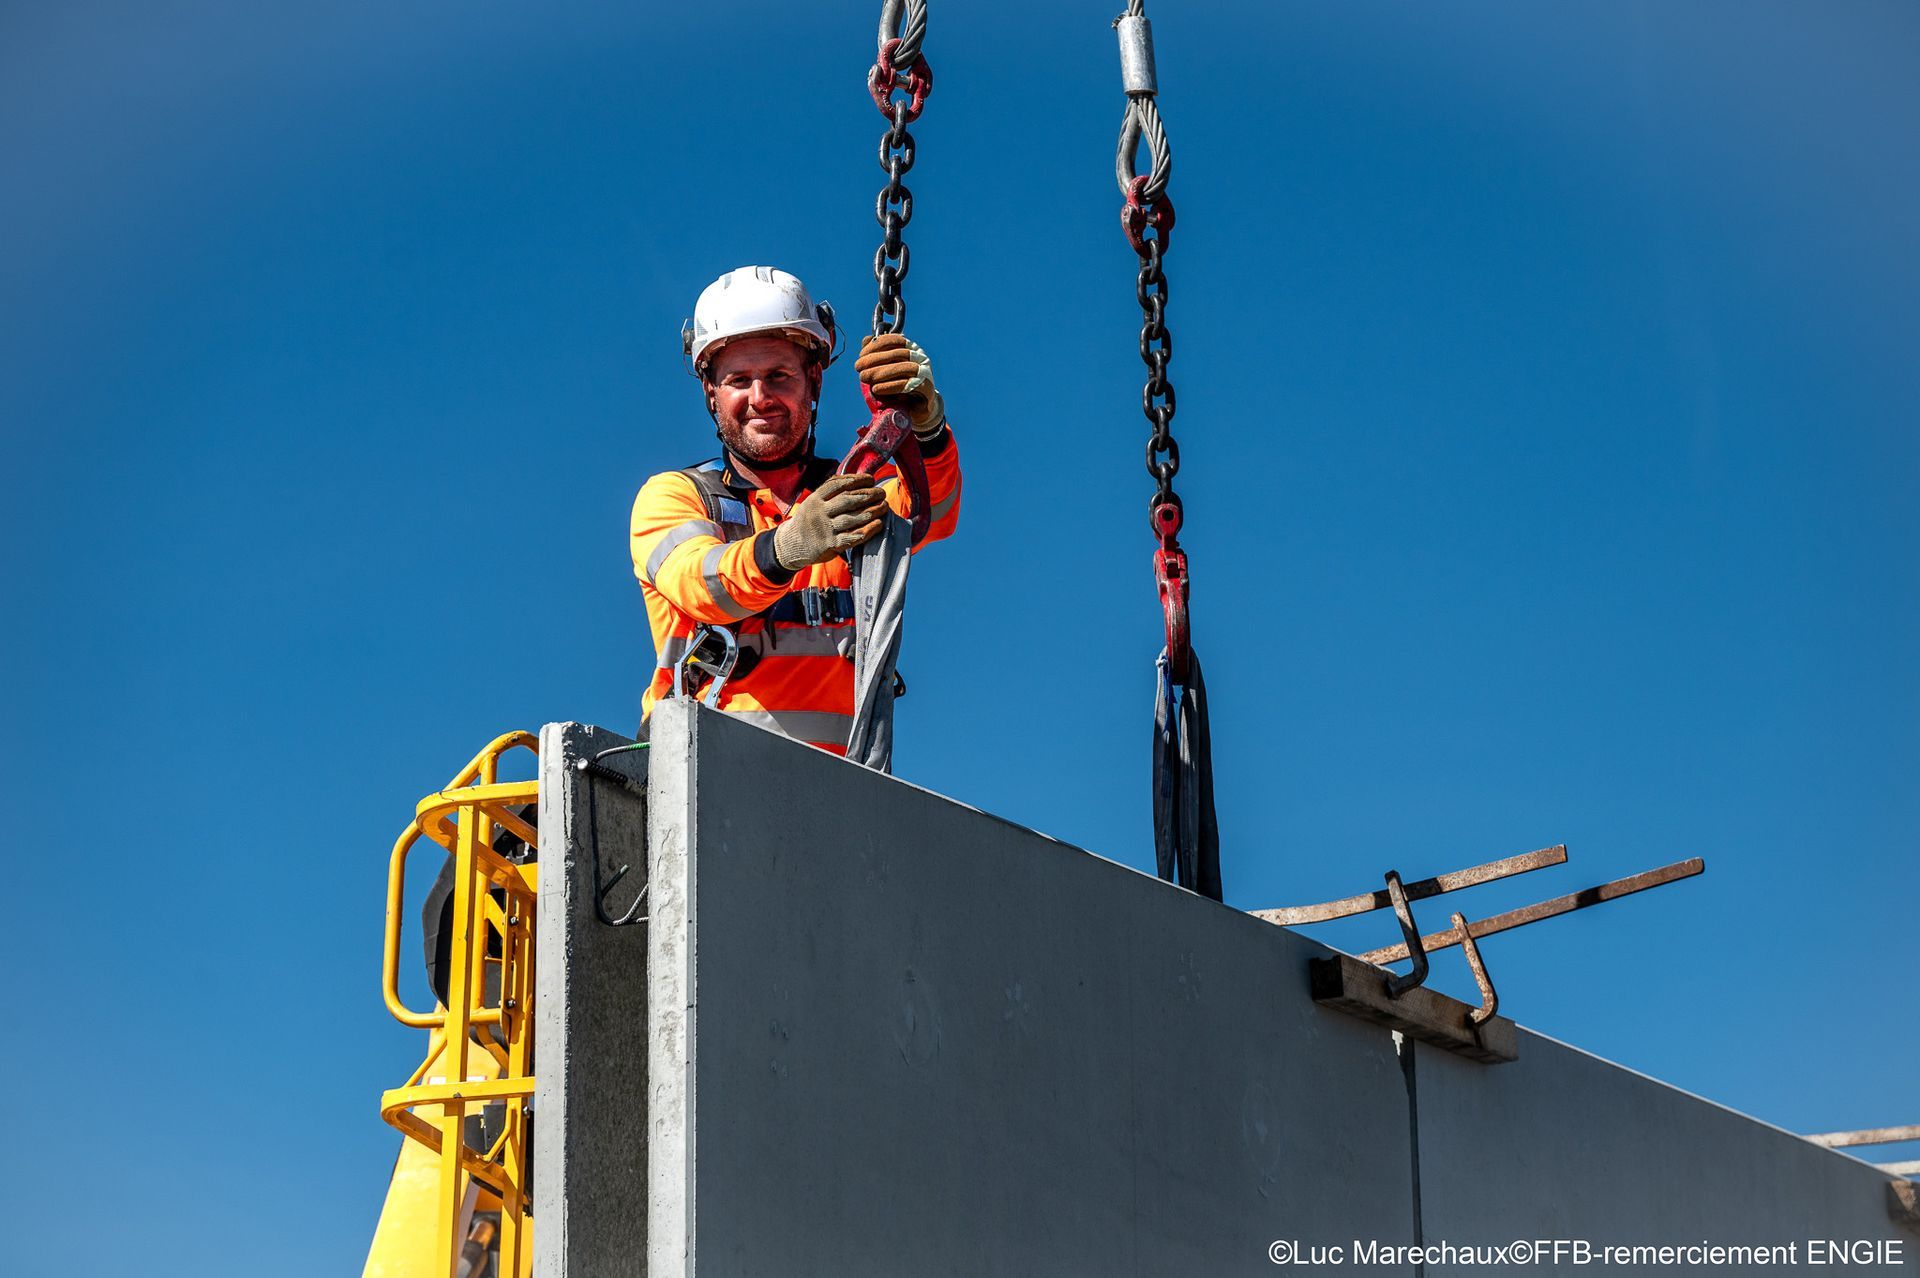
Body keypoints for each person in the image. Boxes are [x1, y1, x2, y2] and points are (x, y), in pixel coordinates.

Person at [629, 266, 961, 753]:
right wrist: (786, 547)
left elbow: (930, 512)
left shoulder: (850, 493)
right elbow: (702, 585)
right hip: (694, 784)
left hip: (836, 795)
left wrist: (926, 430)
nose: (760, 398)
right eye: (739, 380)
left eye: (778, 376)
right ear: (711, 393)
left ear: (813, 380)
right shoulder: (676, 496)